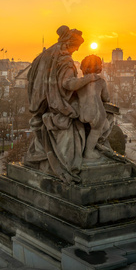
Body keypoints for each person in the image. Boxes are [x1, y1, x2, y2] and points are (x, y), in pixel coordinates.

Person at [24, 25, 102, 183]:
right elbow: (67, 84)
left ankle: (41, 152)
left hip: (45, 101)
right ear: (70, 43)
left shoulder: (49, 53)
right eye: (76, 47)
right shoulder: (64, 60)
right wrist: (89, 78)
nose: (76, 51)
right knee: (84, 123)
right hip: (58, 105)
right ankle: (77, 159)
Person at [77, 55, 111, 159]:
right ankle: (89, 151)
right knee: (98, 129)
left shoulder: (79, 82)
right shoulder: (100, 81)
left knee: (104, 126)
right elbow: (106, 98)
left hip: (82, 112)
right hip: (96, 112)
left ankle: (94, 144)